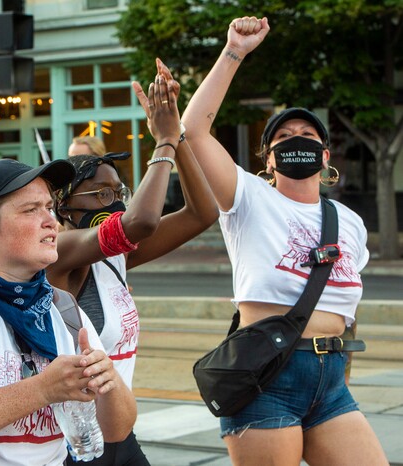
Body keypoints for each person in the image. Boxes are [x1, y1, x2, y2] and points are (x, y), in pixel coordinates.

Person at [177, 16, 388, 465]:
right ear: (267, 159)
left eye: (308, 137)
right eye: (284, 138)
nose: (298, 142)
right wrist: (234, 51)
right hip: (266, 378)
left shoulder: (348, 221)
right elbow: (192, 131)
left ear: (325, 156)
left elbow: (342, 307)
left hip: (331, 383)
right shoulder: (247, 198)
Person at [0, 158, 137, 465]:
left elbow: (117, 431)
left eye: (49, 207)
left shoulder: (63, 308)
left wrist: (108, 382)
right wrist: (43, 389)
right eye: (31, 210)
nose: (51, 221)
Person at [48, 66, 218, 465]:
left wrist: (177, 137)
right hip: (73, 444)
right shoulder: (58, 250)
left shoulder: (114, 257)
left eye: (119, 191)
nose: (115, 203)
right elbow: (140, 221)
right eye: (100, 194)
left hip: (118, 435)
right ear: (62, 206)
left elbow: (201, 213)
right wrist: (162, 142)